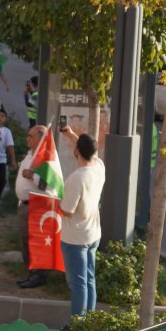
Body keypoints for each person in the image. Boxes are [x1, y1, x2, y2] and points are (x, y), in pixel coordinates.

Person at [57, 130, 105, 320]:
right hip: (92, 234)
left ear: (77, 151)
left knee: (78, 284)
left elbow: (67, 210)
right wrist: (70, 134)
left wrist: (56, 201)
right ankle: (90, 321)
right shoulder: (99, 168)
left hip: (75, 237)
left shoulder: (76, 178)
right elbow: (88, 150)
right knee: (89, 280)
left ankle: (77, 324)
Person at [14, 125, 51, 289]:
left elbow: (48, 184)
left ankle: (39, 275)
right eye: (27, 136)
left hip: (36, 206)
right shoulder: (30, 155)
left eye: (31, 136)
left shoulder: (45, 157)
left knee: (35, 242)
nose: (27, 139)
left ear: (41, 138)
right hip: (24, 205)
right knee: (24, 241)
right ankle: (30, 272)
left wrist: (33, 176)